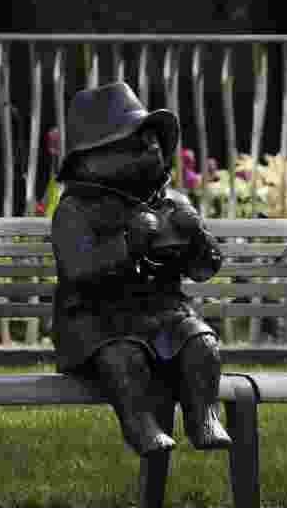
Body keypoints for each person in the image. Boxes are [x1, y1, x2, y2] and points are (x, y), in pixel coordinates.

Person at [52, 81, 232, 457]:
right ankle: (139, 424)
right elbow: (80, 270)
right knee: (125, 357)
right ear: (92, 156)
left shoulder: (170, 202)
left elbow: (203, 269)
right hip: (95, 323)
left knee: (201, 343)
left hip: (162, 316)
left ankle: (204, 416)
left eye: (153, 140)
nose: (151, 148)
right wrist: (127, 245)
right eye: (135, 142)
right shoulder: (76, 210)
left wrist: (197, 238)